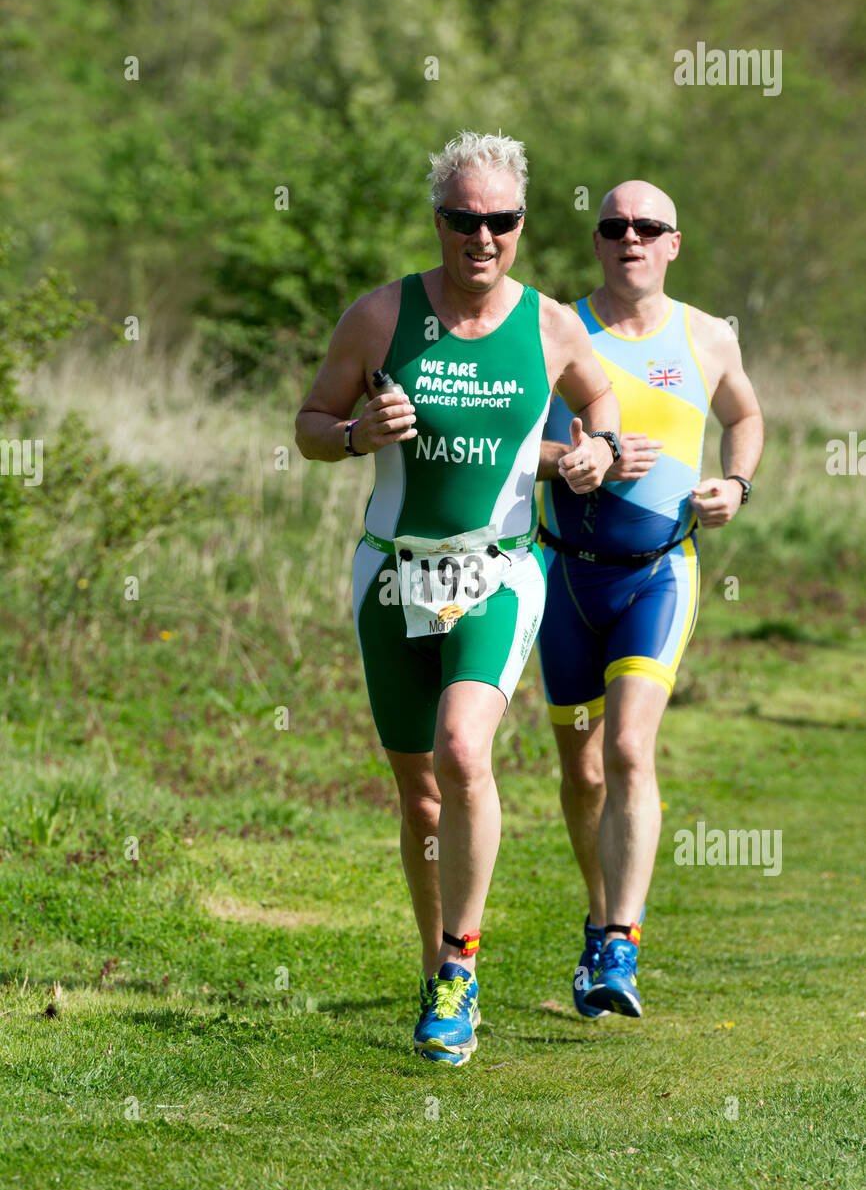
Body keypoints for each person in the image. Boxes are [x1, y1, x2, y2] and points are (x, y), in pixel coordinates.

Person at [295, 132, 621, 1065]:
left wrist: (593, 448)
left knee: (462, 749)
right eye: (463, 220)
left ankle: (460, 964)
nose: (482, 238)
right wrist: (357, 434)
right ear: (438, 221)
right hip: (392, 574)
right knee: (421, 796)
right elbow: (310, 426)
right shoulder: (380, 316)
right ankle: (436, 968)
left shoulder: (553, 325)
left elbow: (601, 405)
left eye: (501, 221)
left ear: (521, 223)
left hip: (499, 570)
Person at [536, 180, 764, 1019]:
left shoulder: (706, 336)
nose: (630, 238)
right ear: (596, 242)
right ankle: (598, 922)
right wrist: (572, 460)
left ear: (673, 244)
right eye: (614, 226)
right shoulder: (554, 327)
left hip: (659, 573)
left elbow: (746, 415)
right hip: (562, 575)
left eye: (648, 228)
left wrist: (735, 484)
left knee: (630, 748)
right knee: (583, 769)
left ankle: (622, 945)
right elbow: (508, 442)